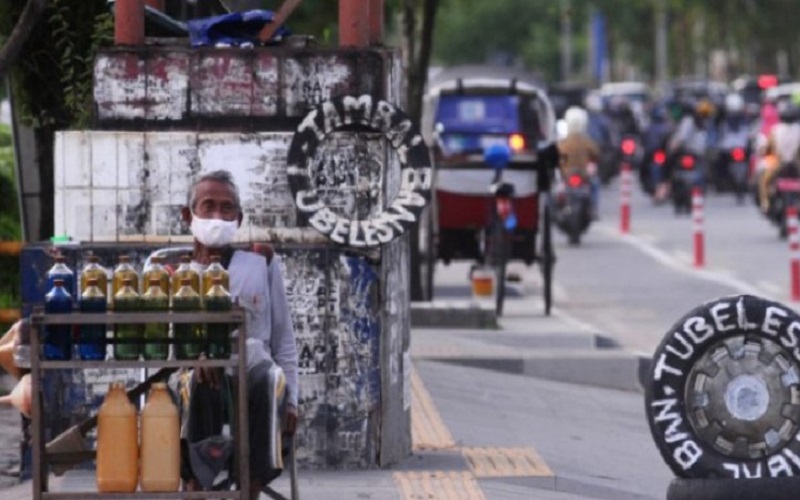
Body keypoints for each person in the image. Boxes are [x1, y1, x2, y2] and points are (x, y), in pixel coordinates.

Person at [180, 170, 299, 500]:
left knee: (266, 379)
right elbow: (164, 347)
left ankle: (250, 489)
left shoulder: (260, 262)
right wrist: (197, 359)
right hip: (198, 379)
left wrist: (292, 400)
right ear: (188, 215)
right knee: (196, 381)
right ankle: (195, 487)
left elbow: (283, 338)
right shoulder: (173, 272)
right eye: (208, 206)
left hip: (252, 372)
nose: (218, 216)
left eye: (227, 208)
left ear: (239, 217)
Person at [558, 106, 601, 218]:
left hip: (569, 175)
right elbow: (596, 153)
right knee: (595, 184)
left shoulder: (563, 143)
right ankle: (593, 209)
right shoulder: (586, 141)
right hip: (580, 175)